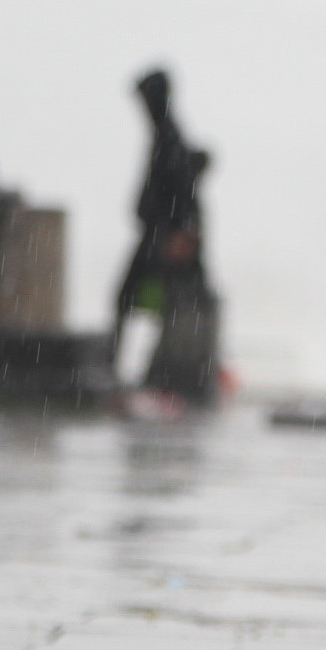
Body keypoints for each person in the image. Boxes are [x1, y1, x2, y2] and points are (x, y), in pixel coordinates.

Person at [109, 69, 222, 405]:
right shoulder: (165, 133)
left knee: (146, 304)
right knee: (150, 305)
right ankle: (143, 374)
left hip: (164, 239)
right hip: (161, 236)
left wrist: (178, 233)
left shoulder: (167, 135)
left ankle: (152, 376)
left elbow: (180, 189)